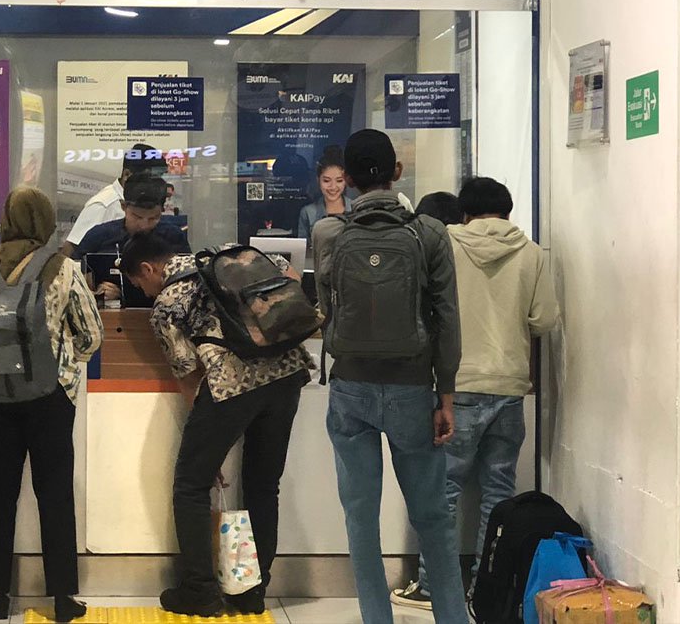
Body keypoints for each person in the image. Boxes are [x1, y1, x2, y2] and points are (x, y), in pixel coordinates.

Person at [312, 129, 467, 624]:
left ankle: (376, 618)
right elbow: (447, 319)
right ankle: (452, 617)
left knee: (361, 518)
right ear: (397, 171)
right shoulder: (429, 233)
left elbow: (326, 310)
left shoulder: (328, 233)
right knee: (432, 517)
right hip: (412, 388)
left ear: (348, 179)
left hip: (350, 388)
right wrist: (446, 395)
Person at [122, 233, 314, 618]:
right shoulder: (228, 258)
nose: (142, 291)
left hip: (233, 383)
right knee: (263, 485)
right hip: (287, 372)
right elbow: (290, 276)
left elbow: (187, 373)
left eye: (138, 283)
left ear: (148, 268)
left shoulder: (167, 303)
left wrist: (205, 444)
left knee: (191, 484)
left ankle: (200, 590)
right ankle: (253, 592)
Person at [393, 177, 560, 611]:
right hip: (509, 386)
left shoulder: (446, 244)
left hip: (458, 385)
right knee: (498, 494)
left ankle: (432, 587)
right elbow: (544, 319)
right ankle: (484, 591)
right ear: (508, 211)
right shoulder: (531, 252)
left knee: (443, 492)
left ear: (464, 213)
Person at [0, 187, 104, 623]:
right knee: (54, 494)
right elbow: (91, 335)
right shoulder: (63, 268)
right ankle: (63, 598)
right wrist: (63, 360)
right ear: (46, 221)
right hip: (49, 398)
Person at [72, 174, 191, 303]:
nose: (144, 225)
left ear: (162, 210)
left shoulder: (173, 236)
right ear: (123, 206)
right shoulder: (99, 236)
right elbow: (71, 275)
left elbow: (187, 278)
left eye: (153, 218)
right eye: (137, 217)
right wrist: (94, 292)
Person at [62, 144, 168, 255]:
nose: (154, 184)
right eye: (149, 178)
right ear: (127, 174)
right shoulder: (104, 204)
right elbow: (70, 250)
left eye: (159, 178)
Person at [297, 153, 360, 241]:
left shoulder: (357, 209)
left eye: (339, 180)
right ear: (318, 180)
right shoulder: (308, 212)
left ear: (345, 181)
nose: (333, 187)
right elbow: (303, 247)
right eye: (326, 181)